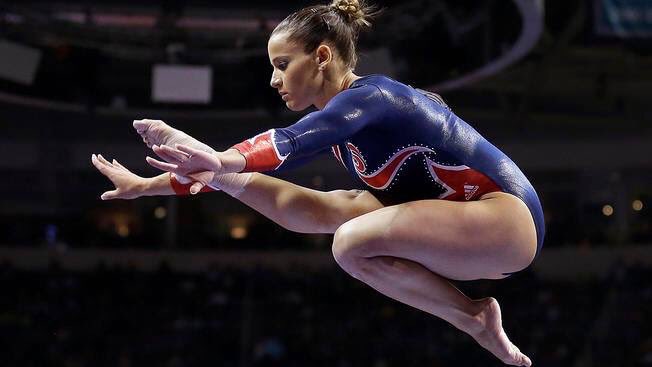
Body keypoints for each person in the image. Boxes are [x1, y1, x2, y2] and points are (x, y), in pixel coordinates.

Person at [92, 1, 544, 365]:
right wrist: (145, 186)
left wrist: (220, 154)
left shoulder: (374, 96)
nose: (273, 79)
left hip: (506, 220)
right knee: (332, 209)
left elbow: (294, 142)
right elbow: (285, 176)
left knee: (350, 241)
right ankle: (476, 317)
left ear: (322, 55)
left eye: (282, 64)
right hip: (468, 234)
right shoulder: (346, 131)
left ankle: (471, 317)